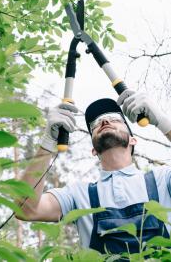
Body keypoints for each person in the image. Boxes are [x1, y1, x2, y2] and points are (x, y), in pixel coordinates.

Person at [16, 90, 171, 255]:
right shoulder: (78, 194)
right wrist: (47, 142)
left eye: (115, 119)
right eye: (96, 124)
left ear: (133, 140)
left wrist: (163, 121)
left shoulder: (162, 179)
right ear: (93, 150)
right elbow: (25, 209)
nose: (104, 121)